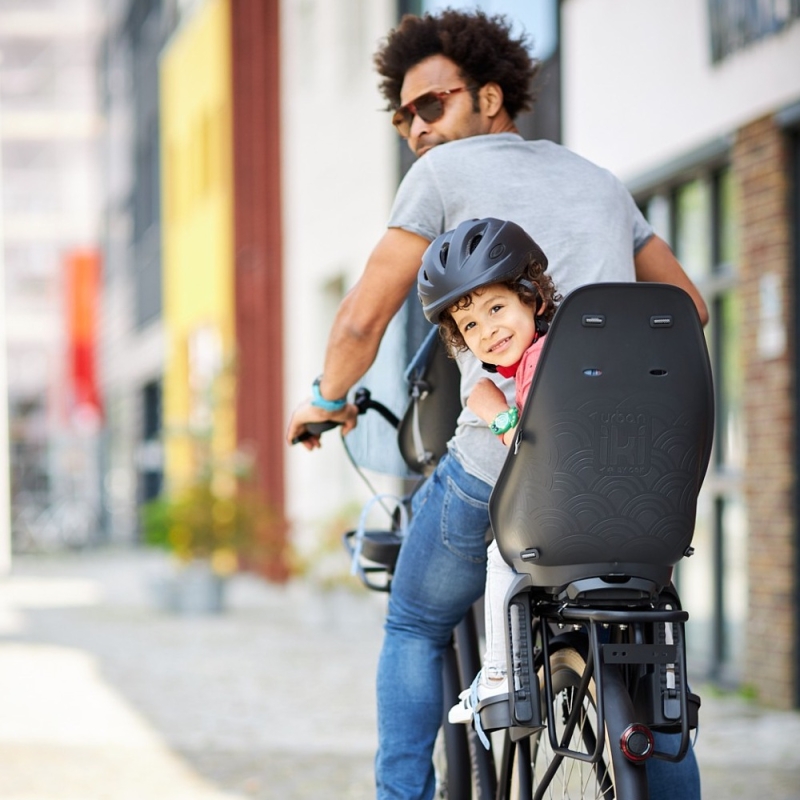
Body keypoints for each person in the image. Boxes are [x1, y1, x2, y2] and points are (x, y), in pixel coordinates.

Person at [286, 10, 708, 800]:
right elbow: (690, 308)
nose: (415, 128)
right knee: (652, 662)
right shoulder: (599, 181)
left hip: (506, 465)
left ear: (488, 97)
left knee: (415, 620)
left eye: (430, 105)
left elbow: (359, 319)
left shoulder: (443, 176)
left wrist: (324, 401)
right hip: (625, 473)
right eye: (402, 116)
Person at [416, 217, 561, 731]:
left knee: (502, 553)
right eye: (470, 326)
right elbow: (482, 393)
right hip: (630, 513)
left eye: (496, 308)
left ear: (534, 299)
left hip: (566, 510)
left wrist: (507, 421)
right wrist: (500, 412)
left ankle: (499, 673)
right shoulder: (537, 358)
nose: (487, 330)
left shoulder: (548, 358)